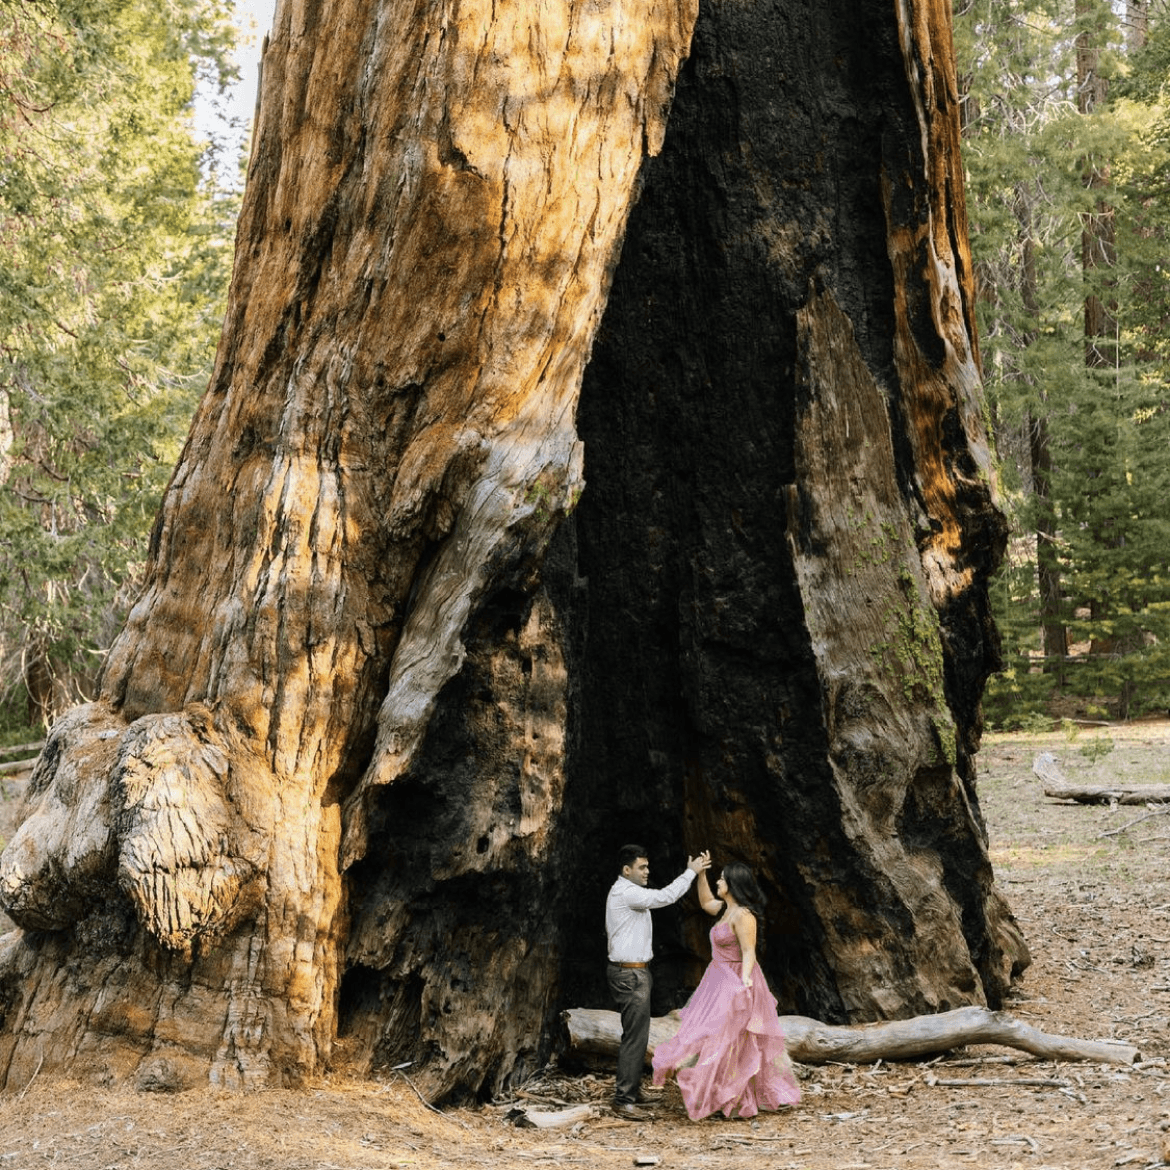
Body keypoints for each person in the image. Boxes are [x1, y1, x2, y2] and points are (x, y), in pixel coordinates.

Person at [651, 860, 801, 1121]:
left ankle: (734, 1096)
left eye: (721, 878)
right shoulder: (725, 910)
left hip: (735, 979)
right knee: (716, 1036)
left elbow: (748, 951)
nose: (718, 882)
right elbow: (706, 902)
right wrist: (701, 874)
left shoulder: (744, 915)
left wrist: (744, 981)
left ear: (733, 884)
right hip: (718, 978)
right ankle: (722, 1093)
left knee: (734, 1039)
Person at [605, 844, 711, 1116]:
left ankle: (630, 1092)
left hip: (635, 972)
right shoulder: (627, 892)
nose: (646, 871)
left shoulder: (629, 892)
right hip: (630, 974)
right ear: (626, 870)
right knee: (634, 1037)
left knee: (637, 1036)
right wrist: (690, 872)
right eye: (641, 867)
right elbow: (666, 896)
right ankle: (623, 1100)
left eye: (647, 867)